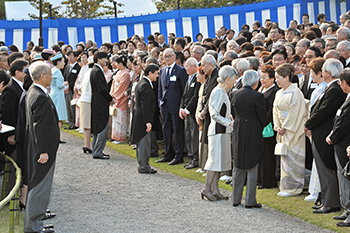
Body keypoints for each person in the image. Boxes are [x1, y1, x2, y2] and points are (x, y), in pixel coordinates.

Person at [304, 59, 345, 214]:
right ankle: (327, 200)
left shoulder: (334, 89)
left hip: (324, 134)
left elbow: (323, 112)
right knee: (322, 168)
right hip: (319, 133)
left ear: (328, 73)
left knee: (326, 168)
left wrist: (308, 123)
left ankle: (331, 202)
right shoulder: (331, 88)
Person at [24, 61, 59, 233]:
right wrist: (43, 150)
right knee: (39, 187)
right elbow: (40, 127)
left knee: (39, 187)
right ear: (42, 76)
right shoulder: (39, 96)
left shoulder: (34, 91)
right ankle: (33, 226)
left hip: (40, 148)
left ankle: (35, 223)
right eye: (50, 74)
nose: (52, 77)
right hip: (42, 151)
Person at [231, 70, 267, 208]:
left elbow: (233, 113)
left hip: (239, 128)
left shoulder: (234, 93)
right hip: (253, 129)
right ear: (256, 82)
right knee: (253, 164)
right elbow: (262, 117)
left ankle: (236, 198)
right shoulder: (257, 96)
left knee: (238, 162)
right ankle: (250, 201)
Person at [201, 66, 236, 201]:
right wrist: (229, 122)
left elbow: (222, 111)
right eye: (234, 78)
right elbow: (214, 114)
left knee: (218, 162)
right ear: (228, 78)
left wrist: (229, 117)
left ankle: (214, 189)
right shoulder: (218, 91)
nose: (235, 81)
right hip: (217, 131)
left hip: (222, 131)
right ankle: (207, 189)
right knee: (214, 161)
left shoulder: (222, 91)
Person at [273, 63, 308, 197]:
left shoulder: (296, 92)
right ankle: (286, 186)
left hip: (293, 129)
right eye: (276, 77)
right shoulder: (278, 92)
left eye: (279, 77)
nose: (277, 80)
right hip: (282, 127)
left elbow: (296, 112)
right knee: (285, 159)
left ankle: (294, 188)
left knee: (294, 157)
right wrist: (277, 125)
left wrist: (285, 127)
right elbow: (275, 111)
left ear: (287, 77)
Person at [326, 68, 350, 227]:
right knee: (343, 178)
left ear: (344, 83)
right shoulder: (347, 97)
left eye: (341, 82)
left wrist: (332, 136)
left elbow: (344, 123)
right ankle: (347, 210)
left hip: (345, 144)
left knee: (347, 178)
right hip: (340, 144)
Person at [156, 48, 187, 165]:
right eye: (165, 56)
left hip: (176, 106)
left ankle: (178, 156)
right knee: (166, 130)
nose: (167, 58)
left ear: (174, 57)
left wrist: (182, 106)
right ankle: (168, 154)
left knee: (177, 130)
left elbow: (184, 90)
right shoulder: (162, 70)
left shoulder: (180, 70)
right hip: (165, 105)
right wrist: (160, 102)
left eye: (169, 56)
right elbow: (160, 88)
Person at [130, 64, 160, 174]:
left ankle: (143, 165)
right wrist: (148, 122)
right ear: (150, 73)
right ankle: (143, 166)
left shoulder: (142, 83)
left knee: (142, 143)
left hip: (139, 117)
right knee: (144, 143)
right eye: (156, 73)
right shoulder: (146, 86)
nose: (157, 76)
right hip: (143, 119)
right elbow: (145, 106)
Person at [257, 65, 279, 189]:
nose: (262, 80)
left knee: (268, 156)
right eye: (261, 77)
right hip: (261, 125)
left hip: (268, 126)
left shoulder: (274, 91)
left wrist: (264, 121)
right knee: (261, 154)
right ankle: (260, 179)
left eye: (265, 78)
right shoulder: (262, 89)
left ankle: (268, 181)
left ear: (272, 79)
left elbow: (272, 110)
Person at [90, 51, 114, 159]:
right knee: (102, 126)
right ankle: (98, 151)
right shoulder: (97, 71)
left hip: (97, 101)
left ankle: (96, 149)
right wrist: (110, 99)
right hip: (100, 102)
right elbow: (102, 89)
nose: (107, 60)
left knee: (97, 126)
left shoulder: (95, 70)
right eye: (105, 58)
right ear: (99, 59)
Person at [180, 58, 201, 169]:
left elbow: (195, 96)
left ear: (194, 66)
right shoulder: (189, 78)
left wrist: (187, 109)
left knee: (194, 136)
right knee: (188, 135)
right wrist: (181, 108)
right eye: (185, 66)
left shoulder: (197, 78)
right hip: (185, 112)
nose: (186, 69)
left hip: (192, 112)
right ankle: (191, 157)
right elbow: (184, 95)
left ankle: (196, 159)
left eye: (188, 66)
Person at [110, 55, 130, 143]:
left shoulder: (126, 73)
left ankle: (121, 137)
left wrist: (114, 96)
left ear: (121, 63)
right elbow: (114, 85)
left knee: (121, 118)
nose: (116, 65)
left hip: (121, 98)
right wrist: (111, 94)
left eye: (117, 63)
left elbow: (122, 87)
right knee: (116, 117)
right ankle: (115, 136)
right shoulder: (119, 72)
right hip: (116, 96)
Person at [50, 53, 69, 142]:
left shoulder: (53, 70)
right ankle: (57, 137)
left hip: (55, 93)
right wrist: (65, 84)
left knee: (56, 116)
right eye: (63, 62)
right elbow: (59, 85)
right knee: (59, 117)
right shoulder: (57, 71)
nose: (64, 63)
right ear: (58, 62)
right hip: (58, 94)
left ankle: (55, 136)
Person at [63, 51, 81, 130]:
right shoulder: (67, 66)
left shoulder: (78, 67)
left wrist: (69, 86)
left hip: (73, 89)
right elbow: (64, 77)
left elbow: (76, 79)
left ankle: (74, 122)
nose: (69, 58)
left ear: (76, 57)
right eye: (68, 56)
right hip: (66, 89)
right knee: (68, 106)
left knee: (73, 106)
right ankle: (70, 122)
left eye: (71, 56)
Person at [80, 57, 94, 154]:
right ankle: (87, 145)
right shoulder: (92, 73)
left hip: (84, 98)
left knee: (86, 124)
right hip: (88, 99)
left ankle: (86, 144)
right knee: (88, 124)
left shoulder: (86, 73)